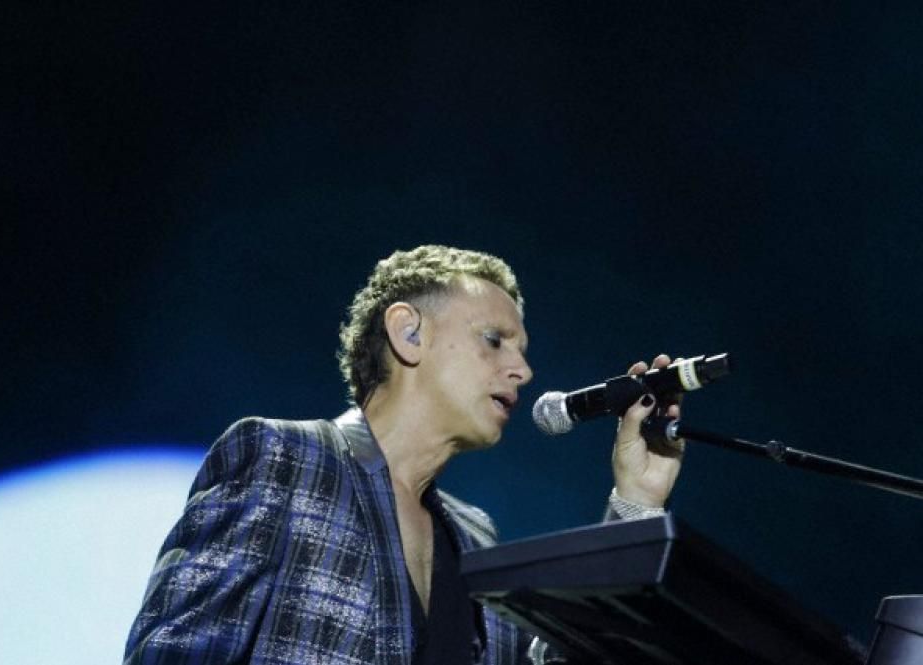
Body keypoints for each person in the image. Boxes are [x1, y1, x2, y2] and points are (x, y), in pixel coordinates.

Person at [123, 245, 684, 665]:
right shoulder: (285, 458)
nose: (523, 370)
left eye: (521, 351)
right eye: (494, 340)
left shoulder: (476, 537)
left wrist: (636, 500)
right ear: (408, 333)